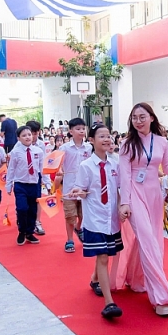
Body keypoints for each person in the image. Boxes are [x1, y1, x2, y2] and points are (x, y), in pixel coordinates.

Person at [113, 103, 168, 317]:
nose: (138, 121)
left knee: (151, 239)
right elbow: (124, 175)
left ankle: (136, 279)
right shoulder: (126, 144)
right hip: (134, 193)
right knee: (147, 240)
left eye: (142, 116)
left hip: (154, 195)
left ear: (152, 118)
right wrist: (124, 202)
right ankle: (161, 296)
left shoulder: (162, 141)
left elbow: (167, 168)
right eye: (134, 117)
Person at [69, 124, 123, 319]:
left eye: (108, 136)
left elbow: (119, 189)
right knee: (103, 257)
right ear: (91, 140)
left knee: (108, 253)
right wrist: (79, 192)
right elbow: (80, 188)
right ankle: (109, 303)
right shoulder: (86, 166)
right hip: (95, 219)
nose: (107, 139)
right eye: (101, 136)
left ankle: (94, 279)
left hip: (112, 219)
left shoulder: (116, 164)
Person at [57, 118, 93, 252]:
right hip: (69, 187)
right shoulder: (64, 148)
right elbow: (57, 163)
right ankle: (70, 240)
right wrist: (59, 170)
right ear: (71, 131)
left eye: (83, 128)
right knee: (70, 216)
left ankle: (79, 228)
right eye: (78, 129)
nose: (81, 131)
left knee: (83, 215)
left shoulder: (89, 147)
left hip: (84, 187)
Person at [6, 126, 44, 245]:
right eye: (24, 135)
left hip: (34, 183)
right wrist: (9, 184)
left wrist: (47, 183)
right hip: (20, 184)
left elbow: (42, 169)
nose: (27, 137)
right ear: (18, 138)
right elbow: (11, 169)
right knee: (22, 208)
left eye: (29, 134)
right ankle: (22, 231)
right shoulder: (16, 152)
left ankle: (29, 232)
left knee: (33, 209)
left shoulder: (38, 151)